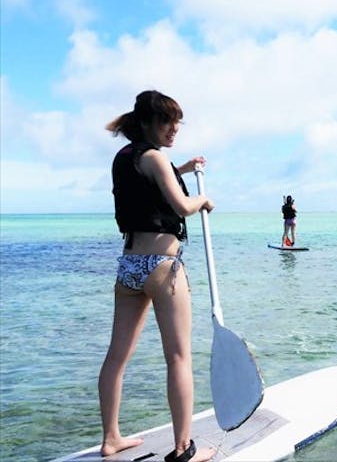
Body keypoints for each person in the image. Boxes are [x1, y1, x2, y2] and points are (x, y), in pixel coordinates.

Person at [99, 90, 216, 462]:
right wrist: (203, 200)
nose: (174, 129)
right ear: (148, 122)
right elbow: (181, 205)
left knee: (116, 357)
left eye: (177, 122)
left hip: (130, 267)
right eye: (167, 121)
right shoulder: (155, 159)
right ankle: (184, 449)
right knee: (179, 358)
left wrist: (180, 169)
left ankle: (110, 438)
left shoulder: (125, 157)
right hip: (164, 267)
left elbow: (150, 186)